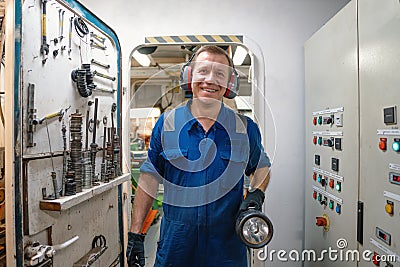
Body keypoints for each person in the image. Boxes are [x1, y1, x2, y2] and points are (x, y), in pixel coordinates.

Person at [126, 45, 271, 267]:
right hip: (176, 246)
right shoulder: (167, 124)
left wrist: (256, 194)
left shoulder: (244, 128)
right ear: (189, 76)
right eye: (203, 71)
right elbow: (149, 179)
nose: (210, 80)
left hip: (226, 249)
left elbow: (262, 167)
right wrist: (136, 235)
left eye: (220, 74)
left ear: (229, 84)